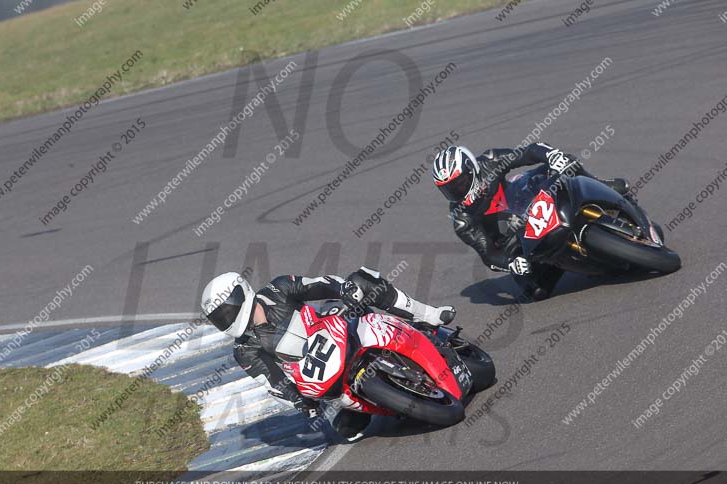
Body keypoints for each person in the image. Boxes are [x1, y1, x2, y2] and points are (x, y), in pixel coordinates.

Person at [200, 267, 456, 441]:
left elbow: (320, 285)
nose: (227, 318)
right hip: (323, 380)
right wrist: (298, 401)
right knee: (346, 430)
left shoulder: (278, 289)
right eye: (219, 317)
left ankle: (429, 315)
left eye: (228, 310)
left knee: (363, 279)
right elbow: (272, 381)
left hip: (336, 329)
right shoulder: (244, 350)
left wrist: (344, 289)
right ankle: (373, 403)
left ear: (241, 294)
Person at [432, 143, 629, 300]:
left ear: (471, 168)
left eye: (459, 183)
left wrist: (551, 156)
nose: (457, 192)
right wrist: (511, 263)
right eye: (449, 189)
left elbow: (528, 152)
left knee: (564, 164)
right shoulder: (461, 219)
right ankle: (560, 263)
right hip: (512, 240)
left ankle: (603, 185)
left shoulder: (490, 161)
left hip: (521, 200)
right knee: (535, 292)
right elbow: (488, 254)